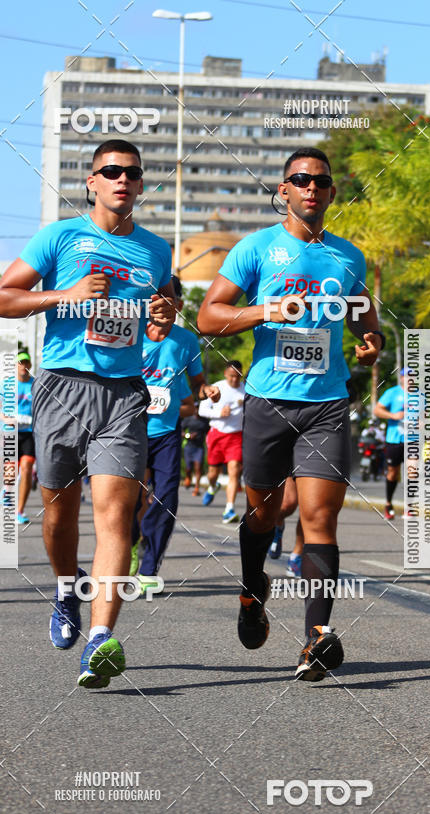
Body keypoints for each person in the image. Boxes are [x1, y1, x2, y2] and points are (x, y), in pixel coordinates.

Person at [0, 139, 176, 688]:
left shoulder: (155, 250)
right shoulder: (61, 237)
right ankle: (66, 587)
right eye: (110, 171)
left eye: (132, 173)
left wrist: (164, 310)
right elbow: (1, 301)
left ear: (141, 186)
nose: (122, 180)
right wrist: (65, 294)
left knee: (116, 514)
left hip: (123, 393)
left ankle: (100, 640)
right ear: (91, 182)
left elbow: (161, 309)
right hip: (62, 388)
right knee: (58, 514)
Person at [197, 147, 381, 680]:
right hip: (268, 400)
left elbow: (365, 318)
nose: (311, 189)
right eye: (300, 180)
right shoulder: (256, 249)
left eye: (320, 182)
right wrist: (265, 310)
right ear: (283, 190)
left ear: (330, 193)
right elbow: (210, 317)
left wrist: (371, 342)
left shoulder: (348, 257)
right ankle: (253, 587)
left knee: (320, 516)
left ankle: (315, 637)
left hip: (326, 403)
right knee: (265, 514)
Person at [133, 277, 219, 589]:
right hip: (128, 430)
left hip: (167, 431)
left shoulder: (186, 342)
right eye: (156, 299)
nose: (162, 305)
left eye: (169, 300)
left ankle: (149, 568)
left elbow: (196, 383)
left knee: (166, 497)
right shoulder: (131, 333)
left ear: (178, 306)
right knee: (129, 497)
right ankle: (130, 543)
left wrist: (205, 389)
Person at [198, 360, 245, 523]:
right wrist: (219, 413)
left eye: (238, 376)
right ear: (225, 374)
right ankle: (212, 486)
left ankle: (229, 509)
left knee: (234, 470)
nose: (234, 379)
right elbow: (201, 410)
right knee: (213, 473)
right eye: (231, 376)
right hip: (217, 435)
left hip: (236, 437)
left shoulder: (246, 391)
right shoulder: (217, 388)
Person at [373, 369, 410, 520]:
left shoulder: (420, 396)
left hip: (412, 439)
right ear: (401, 378)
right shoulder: (392, 392)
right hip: (394, 439)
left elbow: (425, 415)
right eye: (407, 376)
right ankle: (388, 503)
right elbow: (377, 410)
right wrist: (393, 415)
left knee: (412, 472)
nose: (410, 379)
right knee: (393, 473)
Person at [15, 352, 36, 524]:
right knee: (9, 473)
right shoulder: (8, 385)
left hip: (29, 432)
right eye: (20, 363)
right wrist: (6, 417)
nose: (23, 366)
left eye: (26, 363)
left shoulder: (35, 385)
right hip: (9, 433)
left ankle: (19, 510)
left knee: (27, 468)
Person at [182, 409, 208, 495]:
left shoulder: (204, 421)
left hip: (199, 447)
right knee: (188, 468)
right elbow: (180, 430)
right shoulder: (188, 419)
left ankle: (197, 488)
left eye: (199, 409)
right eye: (195, 408)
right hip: (189, 446)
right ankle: (188, 477)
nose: (197, 410)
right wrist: (187, 435)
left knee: (198, 467)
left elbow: (208, 432)